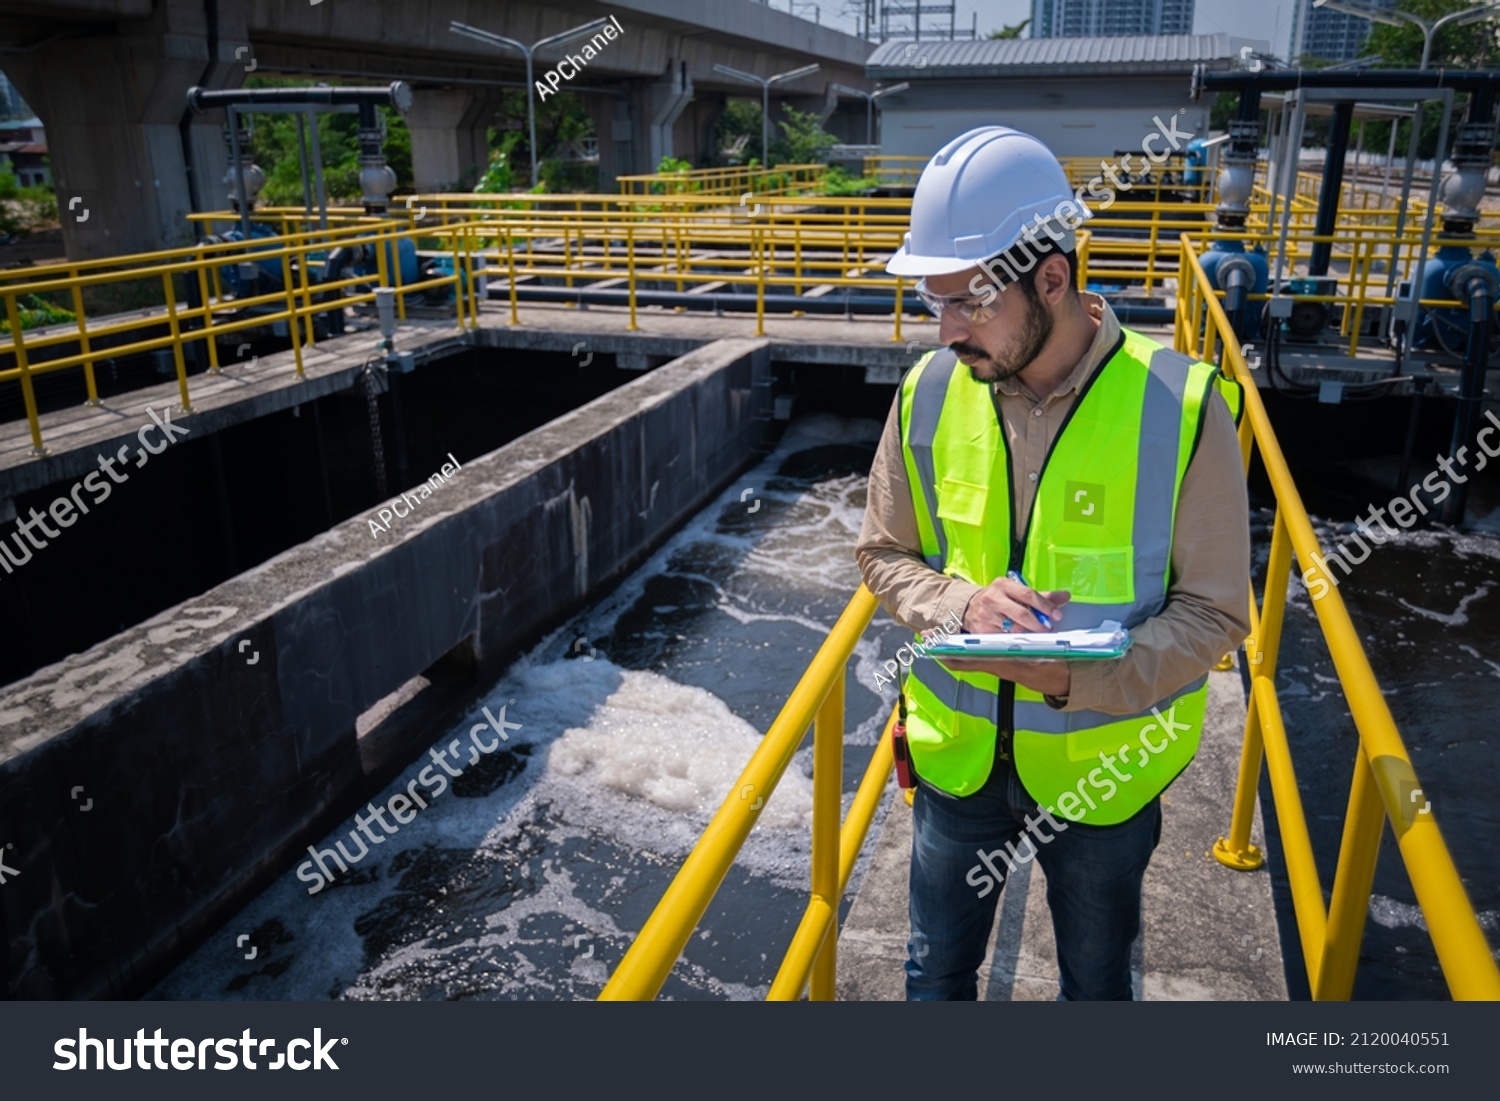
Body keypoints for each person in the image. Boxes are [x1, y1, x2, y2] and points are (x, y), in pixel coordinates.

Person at [855, 125, 1251, 1001]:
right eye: (935, 302)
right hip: (957, 766)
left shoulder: (1182, 406)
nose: (947, 328)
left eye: (971, 302)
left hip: (1103, 778)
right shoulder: (926, 391)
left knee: (1097, 988)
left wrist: (1075, 683)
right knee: (934, 978)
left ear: (1052, 278)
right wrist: (959, 604)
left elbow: (1218, 612)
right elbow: (883, 551)